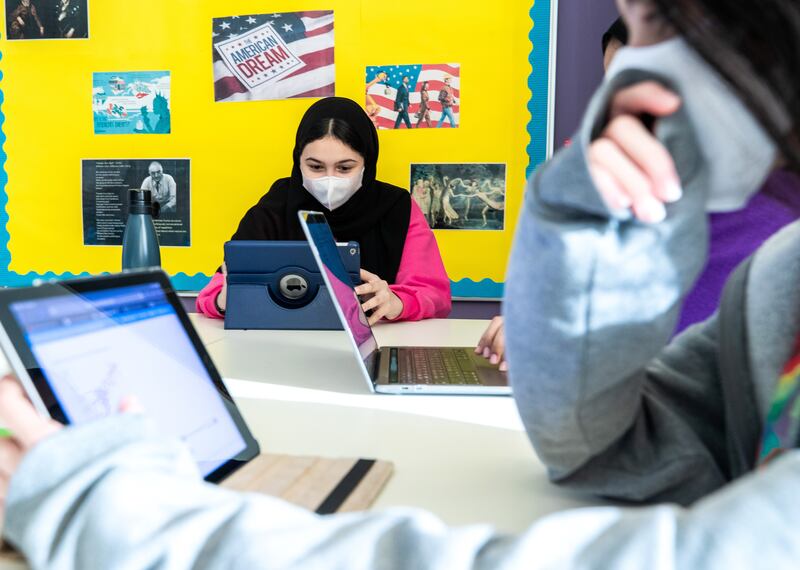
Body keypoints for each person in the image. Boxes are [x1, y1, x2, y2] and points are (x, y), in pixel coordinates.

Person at [504, 0, 800, 509]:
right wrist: (578, 230)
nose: (631, 71)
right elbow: (613, 452)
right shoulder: (780, 276)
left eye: (663, 18)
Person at [196, 97, 451, 325]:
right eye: (316, 167)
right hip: (286, 348)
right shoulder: (275, 205)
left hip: (377, 343)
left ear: (368, 162)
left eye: (344, 168)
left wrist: (397, 302)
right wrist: (224, 300)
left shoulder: (397, 206)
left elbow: (435, 295)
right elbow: (210, 295)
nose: (330, 180)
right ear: (298, 161)